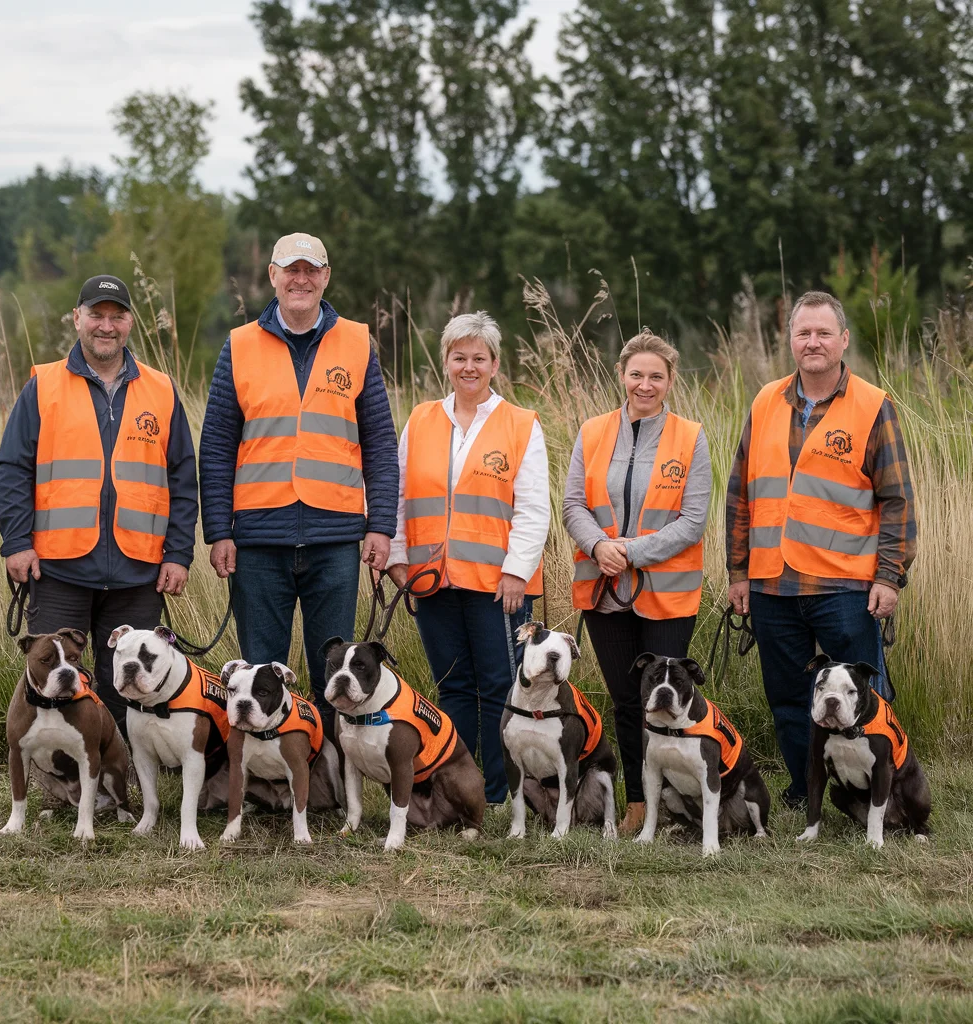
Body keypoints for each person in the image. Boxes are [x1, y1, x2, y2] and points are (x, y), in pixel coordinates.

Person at [199, 233, 399, 734]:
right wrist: (218, 531)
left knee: (335, 674)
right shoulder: (239, 345)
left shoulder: (356, 342)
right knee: (260, 673)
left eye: (312, 270)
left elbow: (379, 442)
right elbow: (218, 446)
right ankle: (269, 786)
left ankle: (329, 775)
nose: (301, 279)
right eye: (292, 269)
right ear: (273, 275)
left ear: (326, 277)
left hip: (335, 539)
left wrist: (381, 526)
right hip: (258, 539)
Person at [726, 290, 916, 808]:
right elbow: (740, 493)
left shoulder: (874, 405)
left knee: (867, 702)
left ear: (843, 340)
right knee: (790, 700)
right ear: (791, 340)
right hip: (771, 584)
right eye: (803, 333)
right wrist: (738, 572)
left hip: (847, 587)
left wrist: (889, 576)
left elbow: (897, 500)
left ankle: (887, 794)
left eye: (823, 333)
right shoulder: (765, 401)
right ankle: (805, 790)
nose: (813, 342)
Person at [0, 274, 199, 726]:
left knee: (130, 686)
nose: (106, 326)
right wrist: (16, 543)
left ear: (130, 323)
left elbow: (184, 478)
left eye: (117, 316)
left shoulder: (161, 390)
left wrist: (179, 554)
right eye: (96, 315)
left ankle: (123, 785)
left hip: (138, 571)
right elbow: (12, 469)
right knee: (52, 683)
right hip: (58, 568)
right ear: (77, 318)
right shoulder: (43, 386)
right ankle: (61, 783)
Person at [386, 311, 550, 805]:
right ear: (446, 363)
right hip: (431, 581)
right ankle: (457, 787)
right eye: (460, 357)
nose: (469, 367)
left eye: (479, 358)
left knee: (500, 686)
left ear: (495, 365)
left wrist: (517, 572)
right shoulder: (420, 420)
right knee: (452, 686)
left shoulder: (521, 425)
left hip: (495, 584)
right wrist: (397, 556)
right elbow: (398, 496)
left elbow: (533, 507)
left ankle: (499, 793)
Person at [563, 329, 712, 834]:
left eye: (656, 376)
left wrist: (628, 552)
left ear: (670, 381)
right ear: (622, 376)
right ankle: (637, 803)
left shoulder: (690, 437)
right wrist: (599, 546)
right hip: (604, 593)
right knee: (629, 702)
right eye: (636, 374)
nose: (644, 384)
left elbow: (693, 520)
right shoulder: (592, 432)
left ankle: (682, 800)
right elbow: (572, 505)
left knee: (670, 703)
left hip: (667, 595)